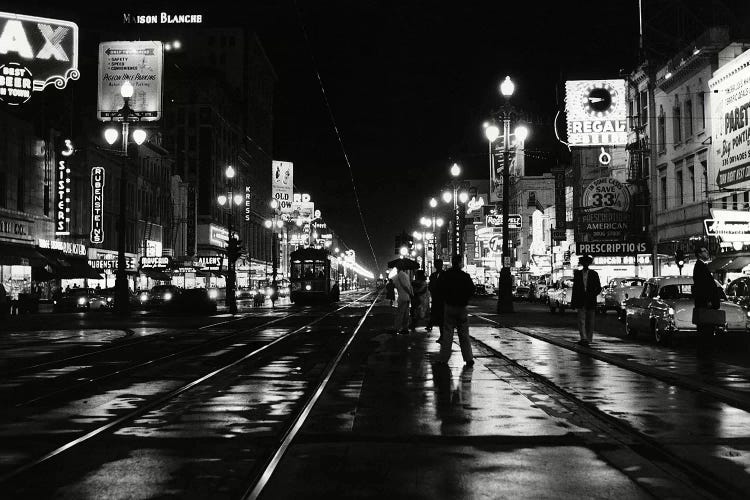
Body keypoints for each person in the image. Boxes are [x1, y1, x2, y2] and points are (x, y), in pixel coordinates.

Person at [437, 254, 475, 365]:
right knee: (464, 333)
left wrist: (445, 298)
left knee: (448, 333)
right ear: (460, 263)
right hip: (462, 307)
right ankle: (468, 358)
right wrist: (465, 299)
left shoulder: (445, 275)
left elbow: (439, 289)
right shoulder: (465, 276)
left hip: (449, 306)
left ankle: (444, 358)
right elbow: (472, 289)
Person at [571, 254, 602, 346]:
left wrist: (593, 295)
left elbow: (598, 287)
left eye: (586, 263)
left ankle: (588, 338)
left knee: (590, 320)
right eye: (584, 263)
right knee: (581, 320)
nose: (585, 264)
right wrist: (574, 302)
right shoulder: (578, 274)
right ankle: (583, 338)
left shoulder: (594, 274)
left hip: (590, 300)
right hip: (581, 300)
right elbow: (575, 289)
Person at [693, 245, 721, 342]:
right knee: (706, 328)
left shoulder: (701, 266)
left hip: (706, 303)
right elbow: (702, 286)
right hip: (705, 304)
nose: (707, 252)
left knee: (706, 328)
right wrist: (708, 300)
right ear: (699, 254)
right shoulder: (700, 267)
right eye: (704, 251)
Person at [391, 263, 413, 334]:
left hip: (403, 296)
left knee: (400, 313)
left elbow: (405, 286)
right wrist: (410, 294)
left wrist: (409, 293)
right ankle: (405, 328)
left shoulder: (401, 275)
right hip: (406, 297)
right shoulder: (405, 275)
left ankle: (396, 328)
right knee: (406, 314)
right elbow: (409, 285)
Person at [427, 259, 444, 336]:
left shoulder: (444, 274)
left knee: (441, 318)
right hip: (436, 298)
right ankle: (431, 324)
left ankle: (442, 334)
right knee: (438, 316)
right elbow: (430, 287)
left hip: (442, 300)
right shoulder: (433, 275)